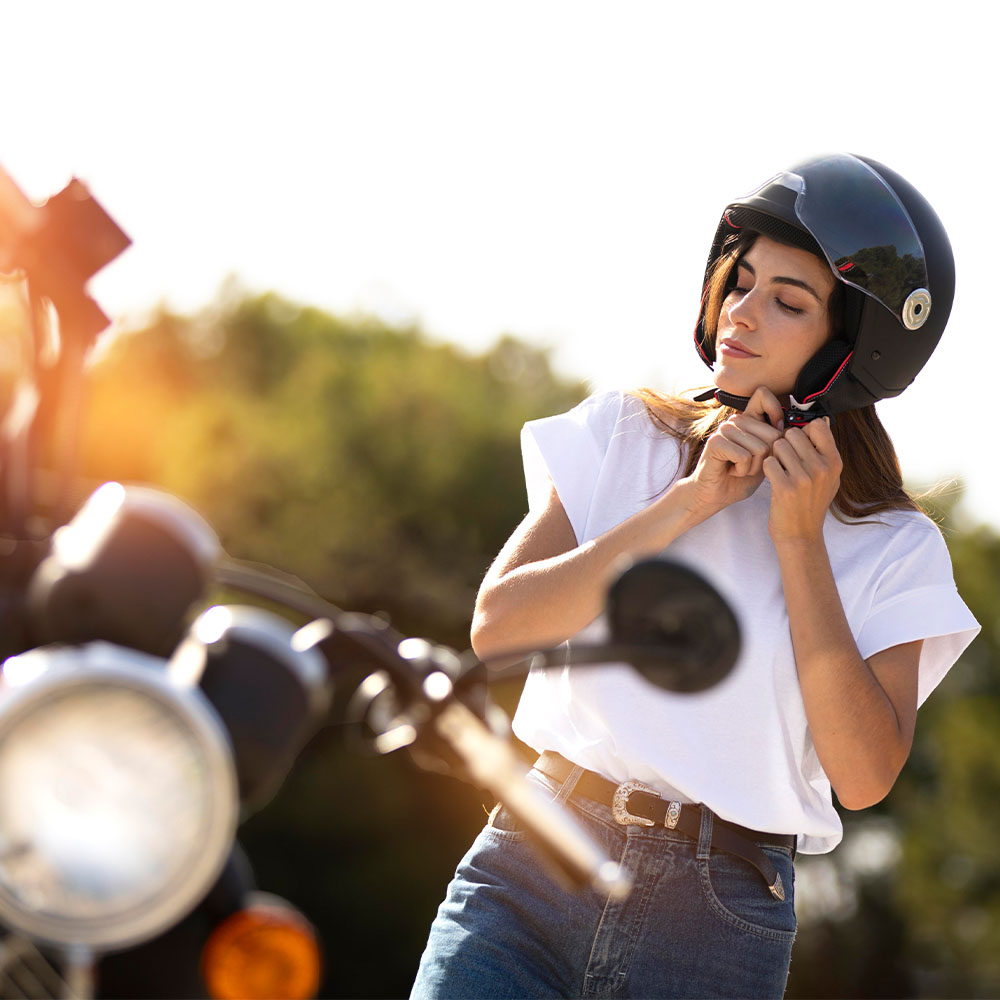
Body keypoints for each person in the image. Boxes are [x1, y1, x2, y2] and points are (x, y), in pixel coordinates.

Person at [410, 154, 980, 999]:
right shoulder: (623, 435)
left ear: (854, 352)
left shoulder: (896, 547)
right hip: (531, 866)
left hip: (718, 922)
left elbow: (862, 777)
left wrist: (800, 542)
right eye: (741, 282)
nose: (740, 312)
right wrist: (686, 503)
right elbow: (498, 629)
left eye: (788, 301)